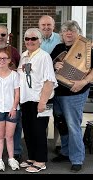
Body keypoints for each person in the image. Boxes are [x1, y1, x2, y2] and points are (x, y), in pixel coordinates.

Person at [50, 20, 93, 173]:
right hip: (58, 93)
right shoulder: (58, 48)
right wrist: (55, 65)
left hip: (76, 92)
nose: (68, 33)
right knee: (61, 124)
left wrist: (84, 82)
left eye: (72, 31)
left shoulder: (87, 48)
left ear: (78, 33)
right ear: (61, 34)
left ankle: (77, 159)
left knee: (73, 126)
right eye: (66, 31)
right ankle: (66, 152)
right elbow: (50, 65)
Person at [17, 28, 58, 173]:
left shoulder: (44, 56)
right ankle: (32, 157)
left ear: (39, 40)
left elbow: (49, 81)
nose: (30, 41)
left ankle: (41, 161)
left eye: (33, 39)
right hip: (26, 100)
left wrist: (42, 102)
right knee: (28, 130)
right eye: (27, 39)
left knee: (39, 130)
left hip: (40, 100)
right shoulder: (24, 55)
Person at [0, 25, 23, 162]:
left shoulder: (13, 51)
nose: (0, 37)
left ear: (8, 36)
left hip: (11, 89)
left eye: (3, 35)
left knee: (15, 124)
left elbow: (19, 68)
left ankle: (16, 150)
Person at [0, 49, 20, 172]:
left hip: (11, 110)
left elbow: (17, 93)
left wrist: (14, 108)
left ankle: (11, 159)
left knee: (9, 136)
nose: (1, 60)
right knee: (0, 136)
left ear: (9, 60)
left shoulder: (14, 75)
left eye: (4, 58)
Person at [38, 15, 62, 154]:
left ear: (53, 26)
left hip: (59, 83)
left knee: (58, 115)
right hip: (41, 86)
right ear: (39, 26)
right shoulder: (36, 39)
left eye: (49, 25)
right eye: (43, 25)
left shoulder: (60, 39)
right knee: (44, 115)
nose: (46, 27)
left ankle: (58, 144)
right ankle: (44, 144)